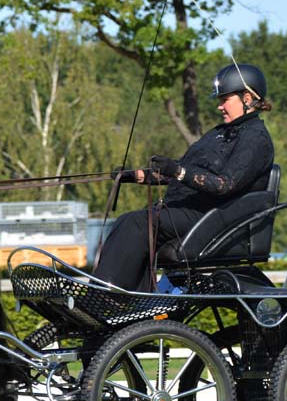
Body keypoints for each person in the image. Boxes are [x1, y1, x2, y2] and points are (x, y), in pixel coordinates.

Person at [93, 63, 275, 291]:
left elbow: (224, 184)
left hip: (215, 218)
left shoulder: (256, 139)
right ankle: (138, 296)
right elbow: (184, 171)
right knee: (127, 221)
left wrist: (179, 171)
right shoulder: (220, 134)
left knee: (139, 223)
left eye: (225, 99)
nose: (219, 106)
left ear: (247, 98)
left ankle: (106, 292)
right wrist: (137, 175)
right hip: (192, 212)